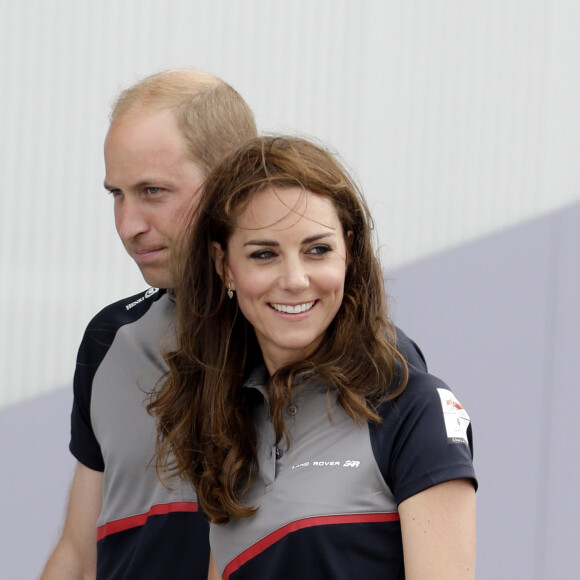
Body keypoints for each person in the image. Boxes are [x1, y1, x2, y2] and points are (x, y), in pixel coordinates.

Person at [149, 136, 477, 580]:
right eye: (264, 254)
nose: (295, 279)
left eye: (317, 249)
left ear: (349, 251)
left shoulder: (413, 409)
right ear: (223, 265)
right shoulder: (227, 424)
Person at [40, 70, 258, 580]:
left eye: (153, 191)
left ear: (233, 181)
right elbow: (77, 553)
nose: (128, 225)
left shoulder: (315, 345)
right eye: (117, 194)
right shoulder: (109, 339)